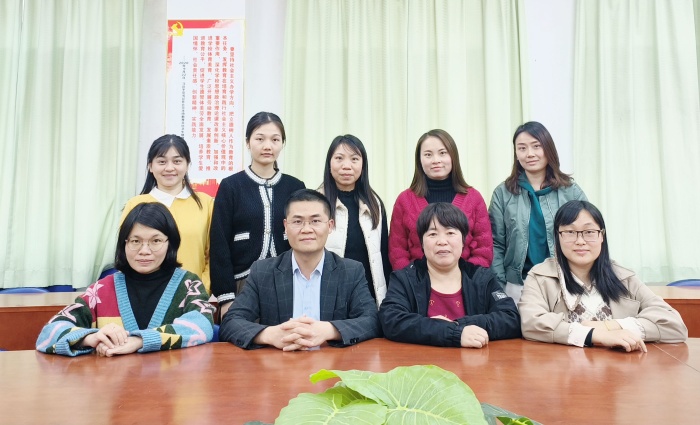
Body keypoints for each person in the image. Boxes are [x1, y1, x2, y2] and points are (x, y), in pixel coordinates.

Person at [36, 203, 215, 357]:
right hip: (116, 384)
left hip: (171, 383)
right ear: (124, 244)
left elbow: (203, 326)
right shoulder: (101, 290)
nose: (144, 251)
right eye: (135, 241)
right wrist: (92, 338)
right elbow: (48, 335)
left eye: (156, 241)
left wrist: (139, 340)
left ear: (171, 244)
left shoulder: (188, 284)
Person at [219, 189, 380, 350]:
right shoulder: (262, 271)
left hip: (332, 362)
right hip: (279, 361)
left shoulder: (351, 271)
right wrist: (270, 334)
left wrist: (330, 330)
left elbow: (372, 321)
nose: (306, 229)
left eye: (315, 221)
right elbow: (231, 322)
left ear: (330, 225)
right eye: (297, 221)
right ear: (285, 226)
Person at [519, 200, 688, 352]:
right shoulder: (540, 277)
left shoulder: (624, 277)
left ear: (602, 236)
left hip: (621, 371)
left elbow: (674, 325)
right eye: (570, 232)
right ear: (557, 237)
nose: (580, 241)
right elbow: (531, 324)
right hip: (564, 371)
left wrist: (610, 326)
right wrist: (595, 335)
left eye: (589, 232)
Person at [380, 203, 521, 347]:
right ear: (422, 242)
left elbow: (510, 318)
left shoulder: (481, 278)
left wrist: (458, 325)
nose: (442, 242)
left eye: (450, 233)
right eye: (433, 234)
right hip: (421, 360)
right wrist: (453, 333)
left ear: (463, 240)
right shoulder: (405, 279)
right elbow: (391, 319)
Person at [210, 112, 305, 317]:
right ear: (247, 142)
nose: (267, 146)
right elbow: (219, 243)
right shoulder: (231, 186)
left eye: (275, 140)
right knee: (244, 334)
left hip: (288, 281)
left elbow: (303, 236)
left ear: (282, 143)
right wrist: (226, 297)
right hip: (242, 282)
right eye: (260, 139)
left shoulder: (295, 186)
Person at [489, 122, 587, 304]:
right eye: (522, 148)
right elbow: (495, 244)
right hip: (517, 285)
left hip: (564, 281)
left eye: (536, 146)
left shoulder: (570, 191)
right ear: (516, 153)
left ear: (548, 149)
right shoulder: (503, 194)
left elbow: (587, 236)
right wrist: (500, 286)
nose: (530, 154)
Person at [120, 134, 214, 292]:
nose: (169, 168)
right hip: (146, 293)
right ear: (150, 166)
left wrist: (199, 289)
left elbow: (214, 256)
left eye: (177, 161)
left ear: (187, 165)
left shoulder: (206, 203)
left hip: (193, 293)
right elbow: (125, 252)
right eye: (162, 162)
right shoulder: (135, 205)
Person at [389, 129, 492, 271]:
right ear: (419, 160)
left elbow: (484, 250)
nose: (436, 160)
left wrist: (462, 278)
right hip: (416, 282)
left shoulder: (474, 198)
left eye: (442, 153)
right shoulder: (404, 200)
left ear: (453, 156)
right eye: (428, 155)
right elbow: (397, 252)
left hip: (467, 281)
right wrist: (413, 279)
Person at [320, 134, 391, 307]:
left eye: (354, 159)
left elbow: (383, 255)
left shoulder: (374, 203)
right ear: (329, 164)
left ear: (363, 165)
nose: (347, 166)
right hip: (331, 296)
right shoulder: (316, 203)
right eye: (339, 158)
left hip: (370, 296)